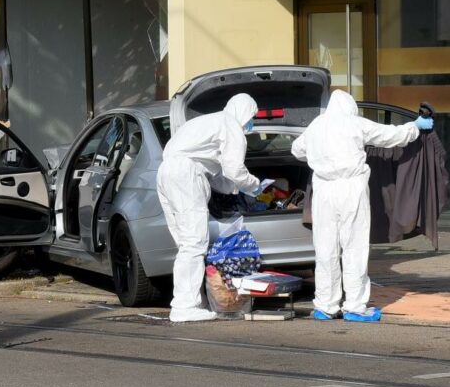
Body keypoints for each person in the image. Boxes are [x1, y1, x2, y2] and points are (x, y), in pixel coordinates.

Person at [291, 90, 423, 322]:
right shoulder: (354, 123)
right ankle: (354, 306)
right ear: (350, 107)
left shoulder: (316, 125)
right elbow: (391, 136)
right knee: (354, 248)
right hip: (351, 188)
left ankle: (326, 305)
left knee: (325, 250)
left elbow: (297, 150)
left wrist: (321, 154)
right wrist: (415, 127)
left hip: (323, 190)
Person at [157, 93, 263, 322]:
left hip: (166, 172)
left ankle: (190, 299)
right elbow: (234, 169)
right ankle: (185, 306)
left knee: (186, 243)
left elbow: (217, 177)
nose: (251, 124)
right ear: (244, 112)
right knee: (194, 243)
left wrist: (237, 189)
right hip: (186, 175)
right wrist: (254, 185)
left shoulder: (205, 122)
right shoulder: (231, 125)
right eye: (252, 118)